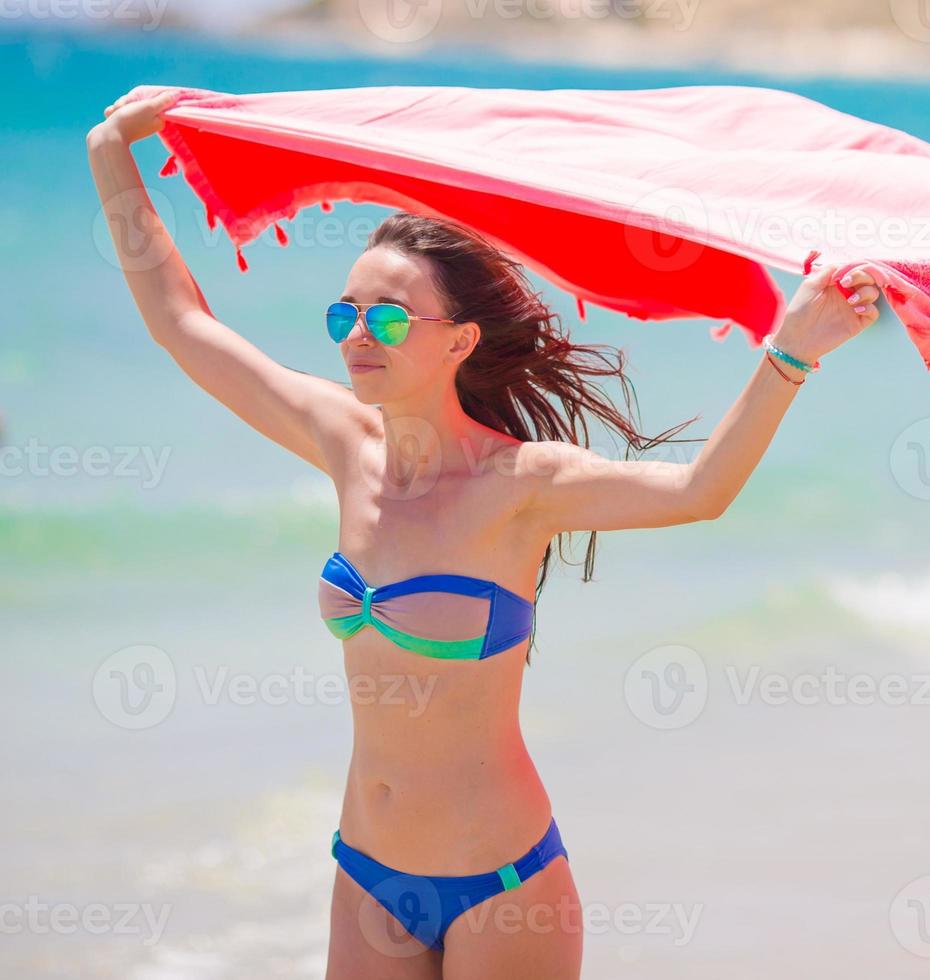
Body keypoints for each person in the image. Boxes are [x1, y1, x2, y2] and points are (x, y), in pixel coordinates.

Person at [87, 88, 882, 979]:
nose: (357, 335)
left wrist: (793, 349)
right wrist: (112, 152)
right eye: (343, 313)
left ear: (460, 340)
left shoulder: (520, 486)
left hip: (501, 886)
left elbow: (700, 490)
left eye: (387, 317)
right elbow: (180, 321)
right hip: (367, 872)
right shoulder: (342, 442)